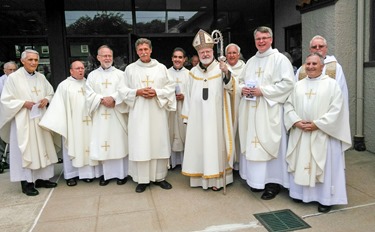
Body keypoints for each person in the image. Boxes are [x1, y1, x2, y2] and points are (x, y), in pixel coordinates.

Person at [284, 53, 351, 213]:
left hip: (323, 133)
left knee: (324, 166)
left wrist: (318, 124)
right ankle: (300, 194)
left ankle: (325, 199)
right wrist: (296, 121)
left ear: (322, 66)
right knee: (302, 162)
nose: (311, 67)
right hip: (301, 132)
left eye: (314, 64)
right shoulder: (298, 85)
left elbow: (337, 109)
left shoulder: (331, 85)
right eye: (308, 64)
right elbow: (288, 105)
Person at [238, 26, 294, 200]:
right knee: (254, 144)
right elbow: (239, 82)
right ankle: (256, 181)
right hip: (251, 110)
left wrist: (263, 91)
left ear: (271, 39)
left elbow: (288, 84)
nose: (261, 41)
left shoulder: (280, 60)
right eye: (258, 39)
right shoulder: (250, 62)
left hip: (270, 111)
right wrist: (243, 89)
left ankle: (272, 183)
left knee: (269, 144)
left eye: (264, 38)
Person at [181, 29, 235, 191]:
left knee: (215, 146)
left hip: (215, 118)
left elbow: (231, 88)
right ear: (198, 53)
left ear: (213, 51)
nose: (205, 54)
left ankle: (216, 181)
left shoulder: (222, 68)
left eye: (208, 51)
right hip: (197, 119)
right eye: (202, 52)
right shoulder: (192, 73)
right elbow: (188, 96)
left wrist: (226, 73)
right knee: (199, 145)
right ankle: (198, 178)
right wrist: (187, 117)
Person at [119, 38, 176, 193]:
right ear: (137, 51)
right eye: (140, 50)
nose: (143, 52)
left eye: (146, 49)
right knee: (141, 143)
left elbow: (171, 87)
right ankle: (142, 180)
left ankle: (160, 177)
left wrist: (156, 92)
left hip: (157, 113)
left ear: (151, 50)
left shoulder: (161, 68)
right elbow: (122, 90)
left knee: (158, 142)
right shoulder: (130, 69)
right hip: (139, 113)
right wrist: (137, 92)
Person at [0, 49, 58, 196]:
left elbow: (50, 92)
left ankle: (42, 178)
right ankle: (27, 182)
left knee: (42, 147)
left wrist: (46, 99)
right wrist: (23, 103)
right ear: (22, 60)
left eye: (36, 60)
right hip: (23, 120)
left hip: (39, 118)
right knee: (26, 149)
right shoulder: (13, 78)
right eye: (30, 60)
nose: (33, 63)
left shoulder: (41, 77)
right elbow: (5, 100)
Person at [39, 61, 102, 186]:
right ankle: (71, 175)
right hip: (72, 125)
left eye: (82, 68)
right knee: (72, 147)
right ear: (71, 71)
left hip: (89, 123)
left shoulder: (89, 84)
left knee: (88, 147)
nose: (80, 70)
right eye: (77, 68)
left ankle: (87, 174)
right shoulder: (64, 86)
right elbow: (58, 105)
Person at [85, 45, 129, 186]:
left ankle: (122, 174)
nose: (107, 58)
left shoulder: (120, 75)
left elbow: (124, 91)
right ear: (98, 58)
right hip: (100, 115)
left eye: (109, 55)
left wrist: (114, 98)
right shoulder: (92, 75)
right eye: (104, 56)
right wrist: (101, 99)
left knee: (118, 143)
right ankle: (106, 175)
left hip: (117, 114)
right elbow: (88, 94)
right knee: (103, 143)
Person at [295, 35, 349, 112]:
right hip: (305, 114)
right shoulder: (302, 69)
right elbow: (295, 93)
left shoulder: (335, 67)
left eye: (321, 46)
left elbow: (341, 93)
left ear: (326, 48)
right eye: (314, 47)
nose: (317, 48)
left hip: (327, 112)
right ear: (310, 50)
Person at [222, 43, 245, 170]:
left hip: (240, 106)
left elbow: (247, 84)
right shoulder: (221, 67)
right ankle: (228, 164)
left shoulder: (246, 67)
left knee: (240, 135)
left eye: (234, 53)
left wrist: (235, 86)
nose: (231, 55)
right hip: (225, 107)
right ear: (225, 55)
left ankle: (240, 166)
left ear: (238, 54)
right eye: (229, 53)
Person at [168, 47, 189, 169]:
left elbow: (193, 92)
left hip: (183, 108)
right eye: (175, 57)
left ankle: (183, 162)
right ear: (172, 58)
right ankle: (171, 162)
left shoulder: (190, 74)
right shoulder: (165, 72)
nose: (177, 59)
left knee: (183, 133)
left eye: (180, 57)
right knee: (170, 132)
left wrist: (184, 96)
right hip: (170, 110)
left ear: (184, 59)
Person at [0, 61, 18, 169]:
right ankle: (3, 158)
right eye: (10, 70)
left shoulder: (19, 80)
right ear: (4, 70)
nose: (12, 72)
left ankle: (12, 159)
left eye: (14, 70)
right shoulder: (1, 81)